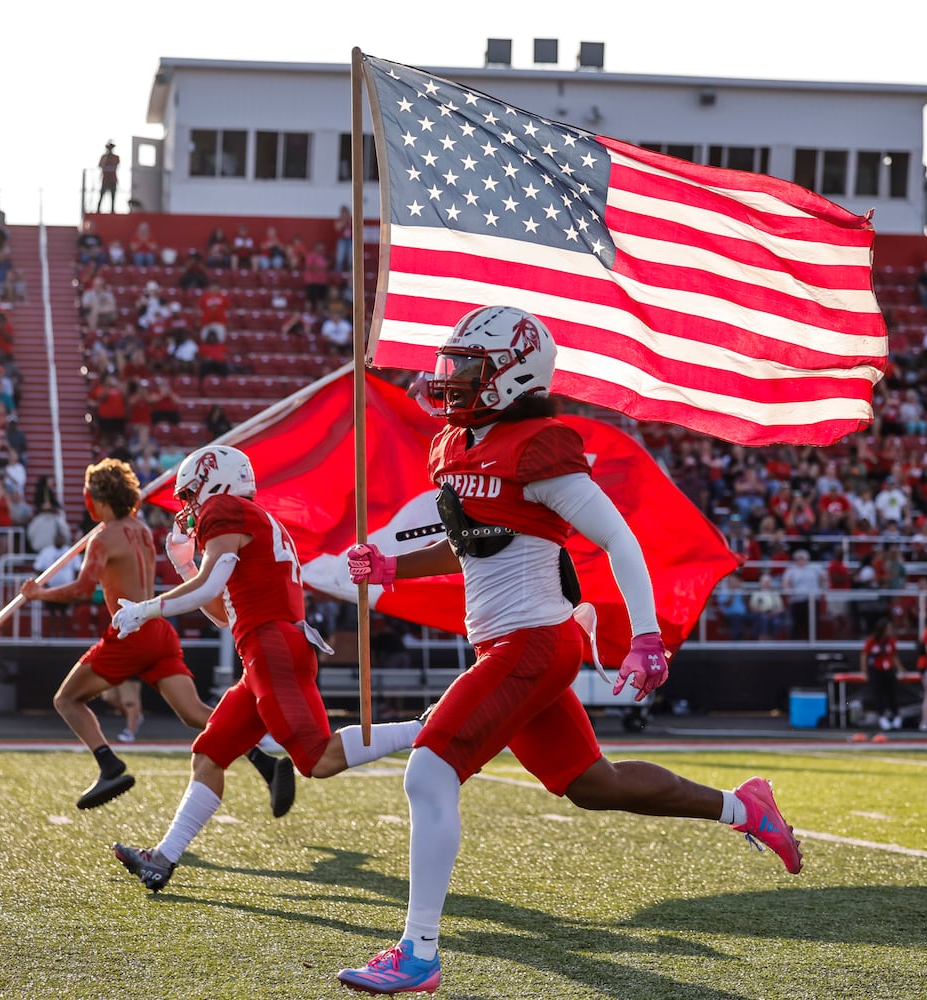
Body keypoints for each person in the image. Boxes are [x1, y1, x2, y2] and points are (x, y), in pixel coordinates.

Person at [334, 306, 801, 995]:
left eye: (468, 365)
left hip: (531, 642)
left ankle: (419, 953)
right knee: (593, 785)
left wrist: (644, 633)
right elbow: (474, 542)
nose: (450, 378)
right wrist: (394, 567)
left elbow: (618, 539)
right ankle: (743, 807)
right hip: (508, 642)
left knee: (427, 773)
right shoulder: (455, 445)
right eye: (452, 362)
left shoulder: (538, 446)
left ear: (512, 373)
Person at [107, 445, 426, 890]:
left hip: (270, 646)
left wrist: (146, 609)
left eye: (192, 493)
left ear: (215, 482)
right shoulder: (252, 518)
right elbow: (222, 610)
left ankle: (425, 728)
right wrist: (186, 567)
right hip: (264, 647)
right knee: (210, 753)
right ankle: (162, 858)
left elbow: (211, 586)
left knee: (317, 759)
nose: (191, 506)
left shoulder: (224, 508)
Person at [20, 458, 298, 814]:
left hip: (130, 630)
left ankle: (108, 765)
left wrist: (37, 594)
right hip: (159, 633)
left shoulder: (104, 538)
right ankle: (263, 761)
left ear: (98, 498)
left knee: (67, 700)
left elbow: (82, 589)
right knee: (193, 712)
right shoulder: (137, 528)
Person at [862, 616, 902, 730]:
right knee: (879, 695)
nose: (890, 631)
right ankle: (882, 716)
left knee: (892, 694)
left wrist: (900, 669)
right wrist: (864, 672)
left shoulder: (891, 641)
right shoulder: (871, 641)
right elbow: (864, 656)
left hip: (889, 670)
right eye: (888, 628)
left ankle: (896, 716)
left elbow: (894, 656)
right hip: (877, 670)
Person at [97, 141, 120, 213]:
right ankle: (98, 209)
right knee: (101, 195)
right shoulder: (104, 157)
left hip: (113, 179)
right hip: (105, 179)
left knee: (113, 196)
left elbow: (116, 165)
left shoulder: (116, 157)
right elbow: (100, 165)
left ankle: (112, 210)